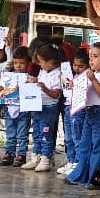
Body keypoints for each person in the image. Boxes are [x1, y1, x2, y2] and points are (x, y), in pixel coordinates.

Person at [64, 43, 100, 190]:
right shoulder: (91, 74)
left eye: (95, 56)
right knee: (85, 145)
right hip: (90, 112)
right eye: (90, 57)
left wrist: (93, 80)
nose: (91, 60)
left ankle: (98, 177)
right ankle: (81, 174)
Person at [22, 44, 63, 173]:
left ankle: (46, 158)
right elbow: (39, 81)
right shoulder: (43, 71)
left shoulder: (58, 75)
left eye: (41, 61)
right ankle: (36, 157)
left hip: (49, 108)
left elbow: (56, 94)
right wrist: (33, 81)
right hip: (38, 106)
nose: (39, 64)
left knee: (46, 133)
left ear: (51, 62)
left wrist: (44, 88)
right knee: (37, 133)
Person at [57, 48, 89, 176]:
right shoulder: (74, 75)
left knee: (77, 137)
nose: (77, 68)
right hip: (68, 107)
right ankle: (71, 160)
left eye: (81, 66)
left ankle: (78, 162)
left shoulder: (87, 77)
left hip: (79, 109)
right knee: (68, 138)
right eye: (75, 65)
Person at [0, 46, 32, 167]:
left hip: (23, 110)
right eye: (16, 62)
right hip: (9, 108)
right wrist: (1, 90)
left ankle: (21, 155)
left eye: (22, 63)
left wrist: (24, 88)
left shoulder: (29, 78)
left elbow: (31, 94)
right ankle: (9, 153)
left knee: (22, 134)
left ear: (28, 63)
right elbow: (2, 92)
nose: (18, 65)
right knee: (10, 133)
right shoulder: (8, 77)